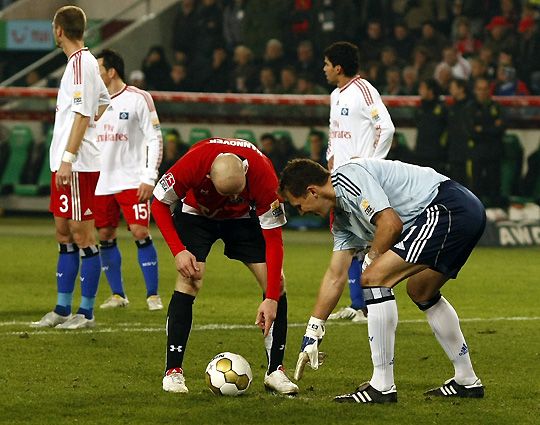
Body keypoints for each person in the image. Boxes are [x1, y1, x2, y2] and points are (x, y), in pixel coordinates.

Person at [280, 158, 486, 403]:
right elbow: (335, 276)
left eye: (298, 205)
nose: (301, 212)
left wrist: (371, 261)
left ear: (312, 191)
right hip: (463, 210)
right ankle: (467, 380)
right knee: (421, 290)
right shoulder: (343, 221)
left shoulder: (349, 177)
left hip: (448, 207)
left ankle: (382, 386)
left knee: (373, 277)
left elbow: (390, 225)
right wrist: (313, 331)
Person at [151, 137, 298, 395]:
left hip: (243, 220)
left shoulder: (264, 176)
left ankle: (276, 370)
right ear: (207, 175)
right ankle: (173, 372)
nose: (232, 198)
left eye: (237, 193)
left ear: (245, 170)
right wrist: (179, 251)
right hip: (197, 215)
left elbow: (274, 240)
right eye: (226, 193)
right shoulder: (193, 163)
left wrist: (272, 297)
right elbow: (159, 203)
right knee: (190, 278)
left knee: (277, 283)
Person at [31, 6, 110, 329]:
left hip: (75, 165)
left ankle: (86, 312)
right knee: (63, 232)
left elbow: (82, 114)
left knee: (82, 234)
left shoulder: (80, 65)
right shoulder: (82, 65)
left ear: (59, 30)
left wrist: (70, 155)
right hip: (67, 162)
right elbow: (103, 102)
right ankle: (62, 308)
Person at [323, 41, 395, 323]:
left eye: (327, 64)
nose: (324, 69)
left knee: (367, 244)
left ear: (338, 67)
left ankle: (373, 305)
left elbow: (385, 128)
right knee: (349, 241)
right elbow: (334, 133)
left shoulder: (364, 90)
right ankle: (359, 307)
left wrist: (371, 165)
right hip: (340, 180)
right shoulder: (334, 96)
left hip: (361, 180)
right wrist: (330, 158)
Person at [93, 49, 164, 311]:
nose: (94, 75)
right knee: (105, 234)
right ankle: (117, 295)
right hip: (100, 182)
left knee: (140, 231)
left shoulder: (138, 99)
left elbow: (154, 138)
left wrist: (149, 176)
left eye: (98, 69)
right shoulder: (91, 101)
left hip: (132, 179)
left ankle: (152, 295)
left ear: (111, 72)